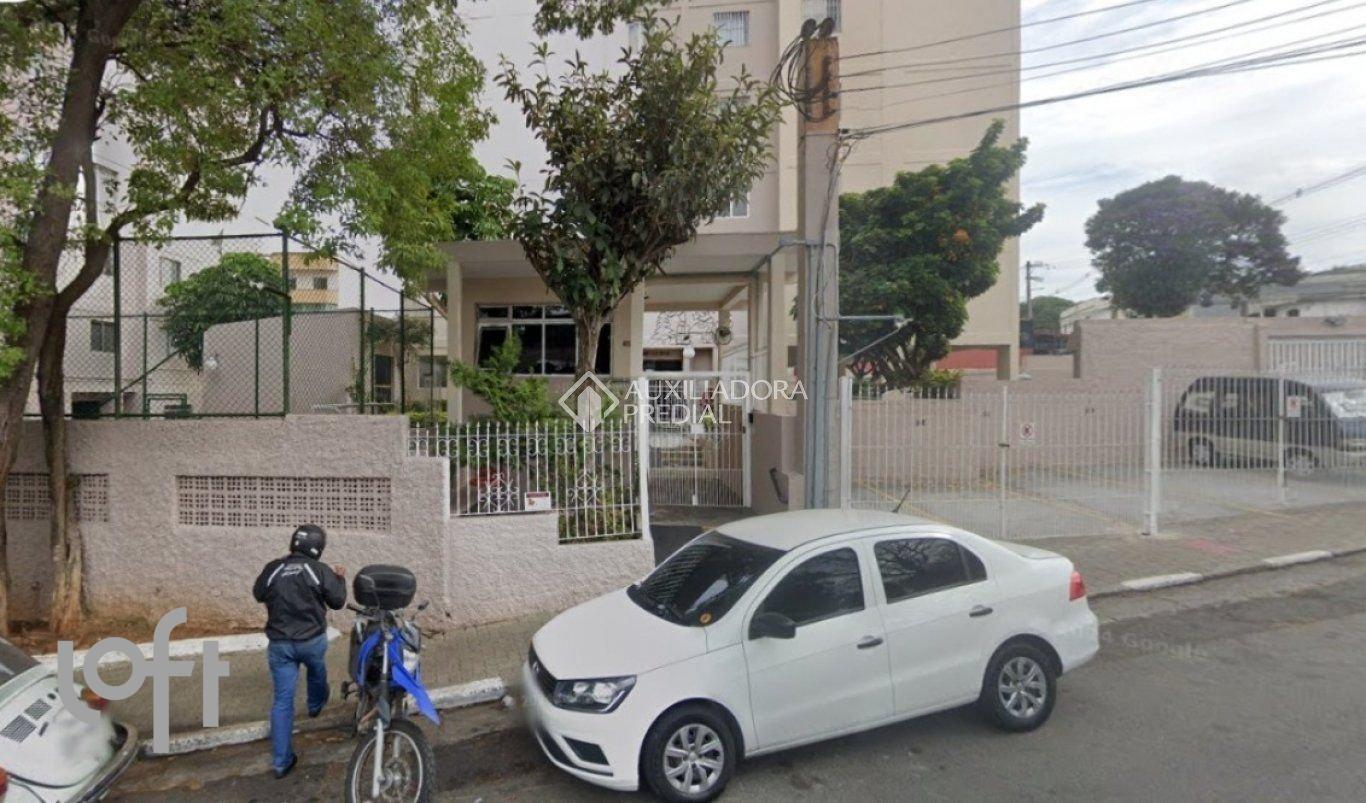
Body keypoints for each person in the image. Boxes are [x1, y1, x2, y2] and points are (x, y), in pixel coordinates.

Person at [252, 523, 348, 779]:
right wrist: (340, 579)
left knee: (282, 701)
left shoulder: (274, 568)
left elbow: (258, 593)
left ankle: (281, 762)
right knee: (317, 671)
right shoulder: (319, 570)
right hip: (312, 641)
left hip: (280, 645)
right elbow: (338, 601)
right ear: (318, 548)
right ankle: (315, 705)